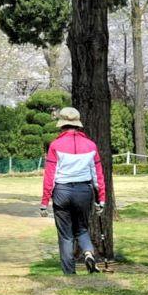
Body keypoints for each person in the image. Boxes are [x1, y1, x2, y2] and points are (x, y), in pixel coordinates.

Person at [40, 107, 107, 275]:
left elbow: (50, 175)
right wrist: (102, 199)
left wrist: (44, 202)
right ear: (78, 125)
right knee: (82, 229)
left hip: (62, 191)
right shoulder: (91, 145)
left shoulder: (55, 145)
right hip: (84, 191)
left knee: (66, 234)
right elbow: (97, 175)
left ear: (62, 125)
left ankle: (69, 272)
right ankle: (88, 254)